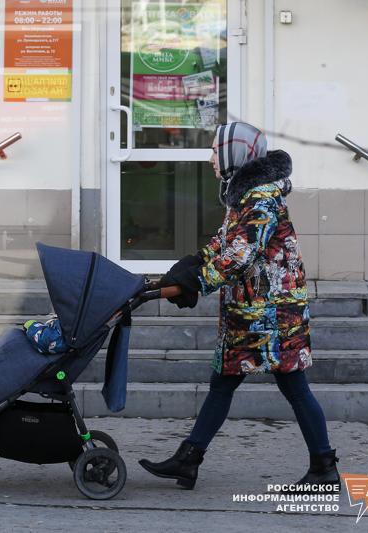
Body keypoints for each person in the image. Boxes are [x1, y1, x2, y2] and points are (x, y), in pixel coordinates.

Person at [138, 122, 340, 493]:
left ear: (234, 153)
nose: (211, 158)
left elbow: (241, 256)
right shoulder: (243, 195)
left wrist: (197, 281)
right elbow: (225, 243)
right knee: (223, 383)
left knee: (293, 386)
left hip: (274, 315)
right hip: (251, 312)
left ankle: (324, 469)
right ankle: (189, 459)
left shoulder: (260, 198)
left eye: (216, 151)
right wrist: (192, 264)